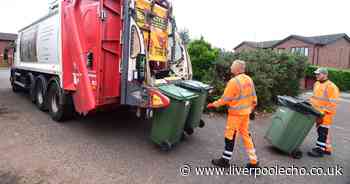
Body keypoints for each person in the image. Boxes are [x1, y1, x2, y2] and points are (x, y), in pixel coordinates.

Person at [207, 60, 259, 168]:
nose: (230, 67)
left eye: (232, 66)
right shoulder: (249, 80)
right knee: (246, 136)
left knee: (229, 136)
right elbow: (254, 98)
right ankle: (254, 162)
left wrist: (214, 104)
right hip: (245, 114)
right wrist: (251, 110)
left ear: (237, 68)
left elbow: (225, 99)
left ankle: (225, 161)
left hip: (235, 115)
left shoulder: (234, 82)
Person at [308, 67, 339, 157]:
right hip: (316, 112)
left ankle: (319, 150)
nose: (316, 75)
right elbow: (314, 97)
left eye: (319, 74)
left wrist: (324, 112)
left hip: (325, 114)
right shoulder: (316, 84)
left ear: (325, 75)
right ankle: (327, 148)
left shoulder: (331, 87)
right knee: (321, 131)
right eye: (316, 74)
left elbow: (333, 103)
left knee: (322, 132)